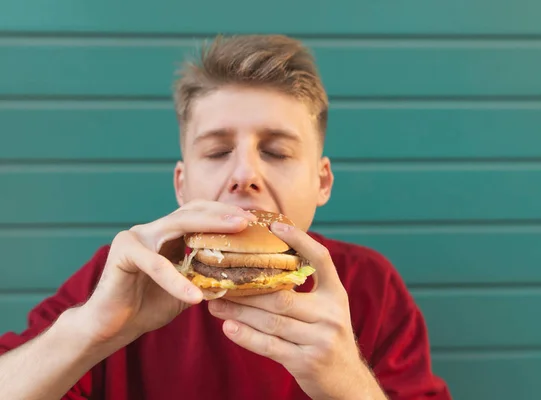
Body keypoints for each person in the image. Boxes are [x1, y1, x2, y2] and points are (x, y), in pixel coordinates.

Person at [0, 34, 451, 399]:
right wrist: (89, 333)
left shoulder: (371, 287)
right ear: (182, 184)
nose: (244, 175)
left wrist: (350, 386)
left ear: (322, 182)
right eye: (217, 152)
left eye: (275, 151)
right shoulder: (120, 277)